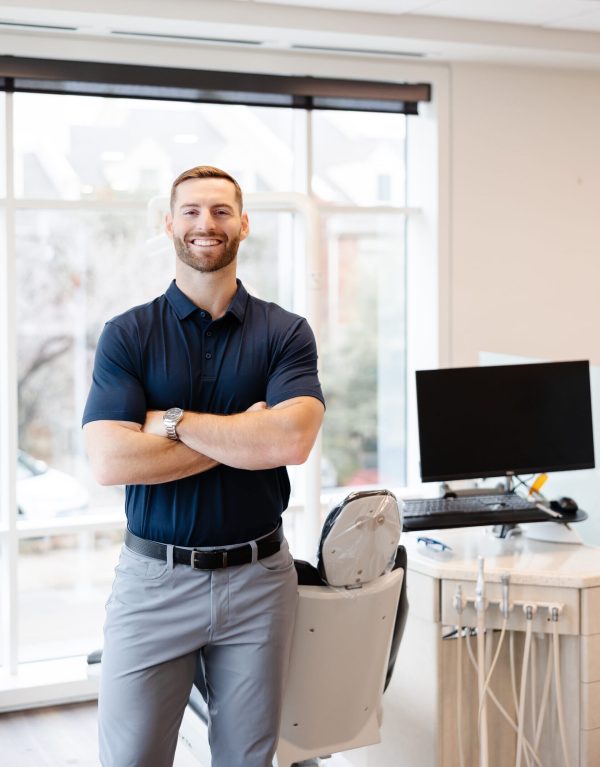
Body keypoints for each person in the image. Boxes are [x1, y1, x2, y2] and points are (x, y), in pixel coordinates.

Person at [82, 165, 325, 767]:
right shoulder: (128, 334)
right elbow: (111, 459)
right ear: (169, 223)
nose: (205, 224)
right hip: (154, 583)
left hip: (259, 581)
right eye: (190, 210)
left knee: (248, 759)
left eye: (220, 211)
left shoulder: (286, 332)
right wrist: (247, 433)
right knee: (132, 759)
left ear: (242, 224)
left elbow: (291, 441)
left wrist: (169, 420)